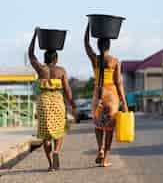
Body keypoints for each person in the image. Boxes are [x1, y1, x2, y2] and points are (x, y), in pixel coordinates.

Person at [28, 27, 77, 171]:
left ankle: (50, 164)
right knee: (59, 131)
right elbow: (67, 90)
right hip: (57, 102)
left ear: (44, 59)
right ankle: (56, 152)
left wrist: (35, 35)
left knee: (45, 135)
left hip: (43, 103)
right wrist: (73, 105)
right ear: (56, 58)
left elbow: (30, 54)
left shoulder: (41, 69)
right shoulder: (61, 71)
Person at [84, 23, 128, 167]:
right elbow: (119, 83)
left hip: (98, 94)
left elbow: (86, 45)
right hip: (111, 96)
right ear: (109, 45)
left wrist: (89, 26)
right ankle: (106, 159)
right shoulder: (115, 61)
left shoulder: (94, 59)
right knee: (109, 127)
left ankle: (100, 149)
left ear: (98, 46)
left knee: (98, 125)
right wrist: (124, 103)